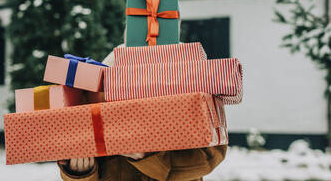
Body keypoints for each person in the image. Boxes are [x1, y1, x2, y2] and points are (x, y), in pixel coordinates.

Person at [57, 45, 227, 181]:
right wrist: (80, 174)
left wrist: (148, 156)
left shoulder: (188, 71)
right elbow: (80, 144)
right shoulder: (108, 68)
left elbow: (211, 157)